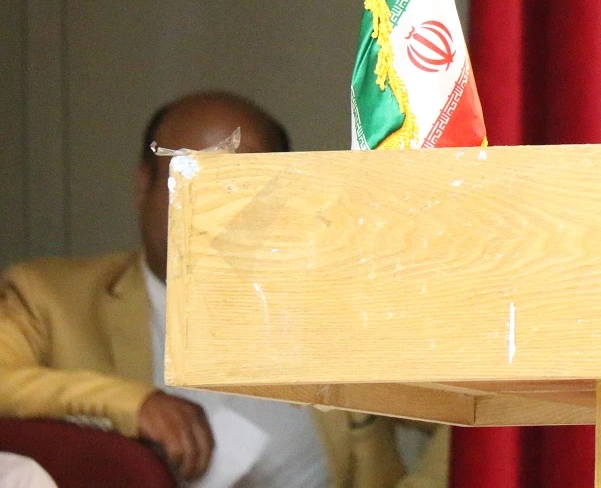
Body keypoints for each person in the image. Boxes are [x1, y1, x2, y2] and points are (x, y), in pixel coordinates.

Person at [0, 91, 447, 488]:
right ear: (143, 185)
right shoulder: (51, 299)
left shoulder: (343, 311)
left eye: (246, 186)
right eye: (191, 177)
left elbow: (476, 409)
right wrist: (135, 405)